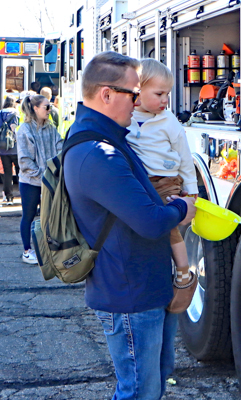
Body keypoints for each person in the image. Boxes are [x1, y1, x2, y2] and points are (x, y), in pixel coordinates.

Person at [62, 51, 196, 400]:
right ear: (106, 94)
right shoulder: (97, 152)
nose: (138, 103)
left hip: (142, 288)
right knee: (138, 391)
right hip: (130, 296)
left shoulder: (108, 138)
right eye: (133, 94)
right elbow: (150, 222)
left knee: (152, 384)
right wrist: (182, 207)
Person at [126, 58, 198, 313]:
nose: (165, 100)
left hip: (166, 180)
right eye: (159, 94)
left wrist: (191, 187)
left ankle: (183, 270)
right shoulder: (127, 117)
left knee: (168, 224)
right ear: (138, 91)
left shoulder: (169, 121)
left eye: (167, 94)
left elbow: (184, 155)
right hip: (140, 183)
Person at [16, 94, 63, 264]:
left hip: (49, 181)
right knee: (28, 216)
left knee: (49, 217)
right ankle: (27, 251)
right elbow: (24, 160)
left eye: (50, 107)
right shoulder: (24, 129)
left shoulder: (51, 128)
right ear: (35, 108)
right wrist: (42, 174)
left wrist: (57, 169)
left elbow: (60, 147)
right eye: (47, 107)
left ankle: (47, 250)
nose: (50, 110)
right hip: (30, 182)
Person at [0, 96, 20, 205]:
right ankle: (23, 195)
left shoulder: (0, 113)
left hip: (3, 148)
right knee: (19, 171)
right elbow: (14, 128)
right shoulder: (15, 113)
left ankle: (9, 197)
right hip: (14, 148)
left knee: (7, 172)